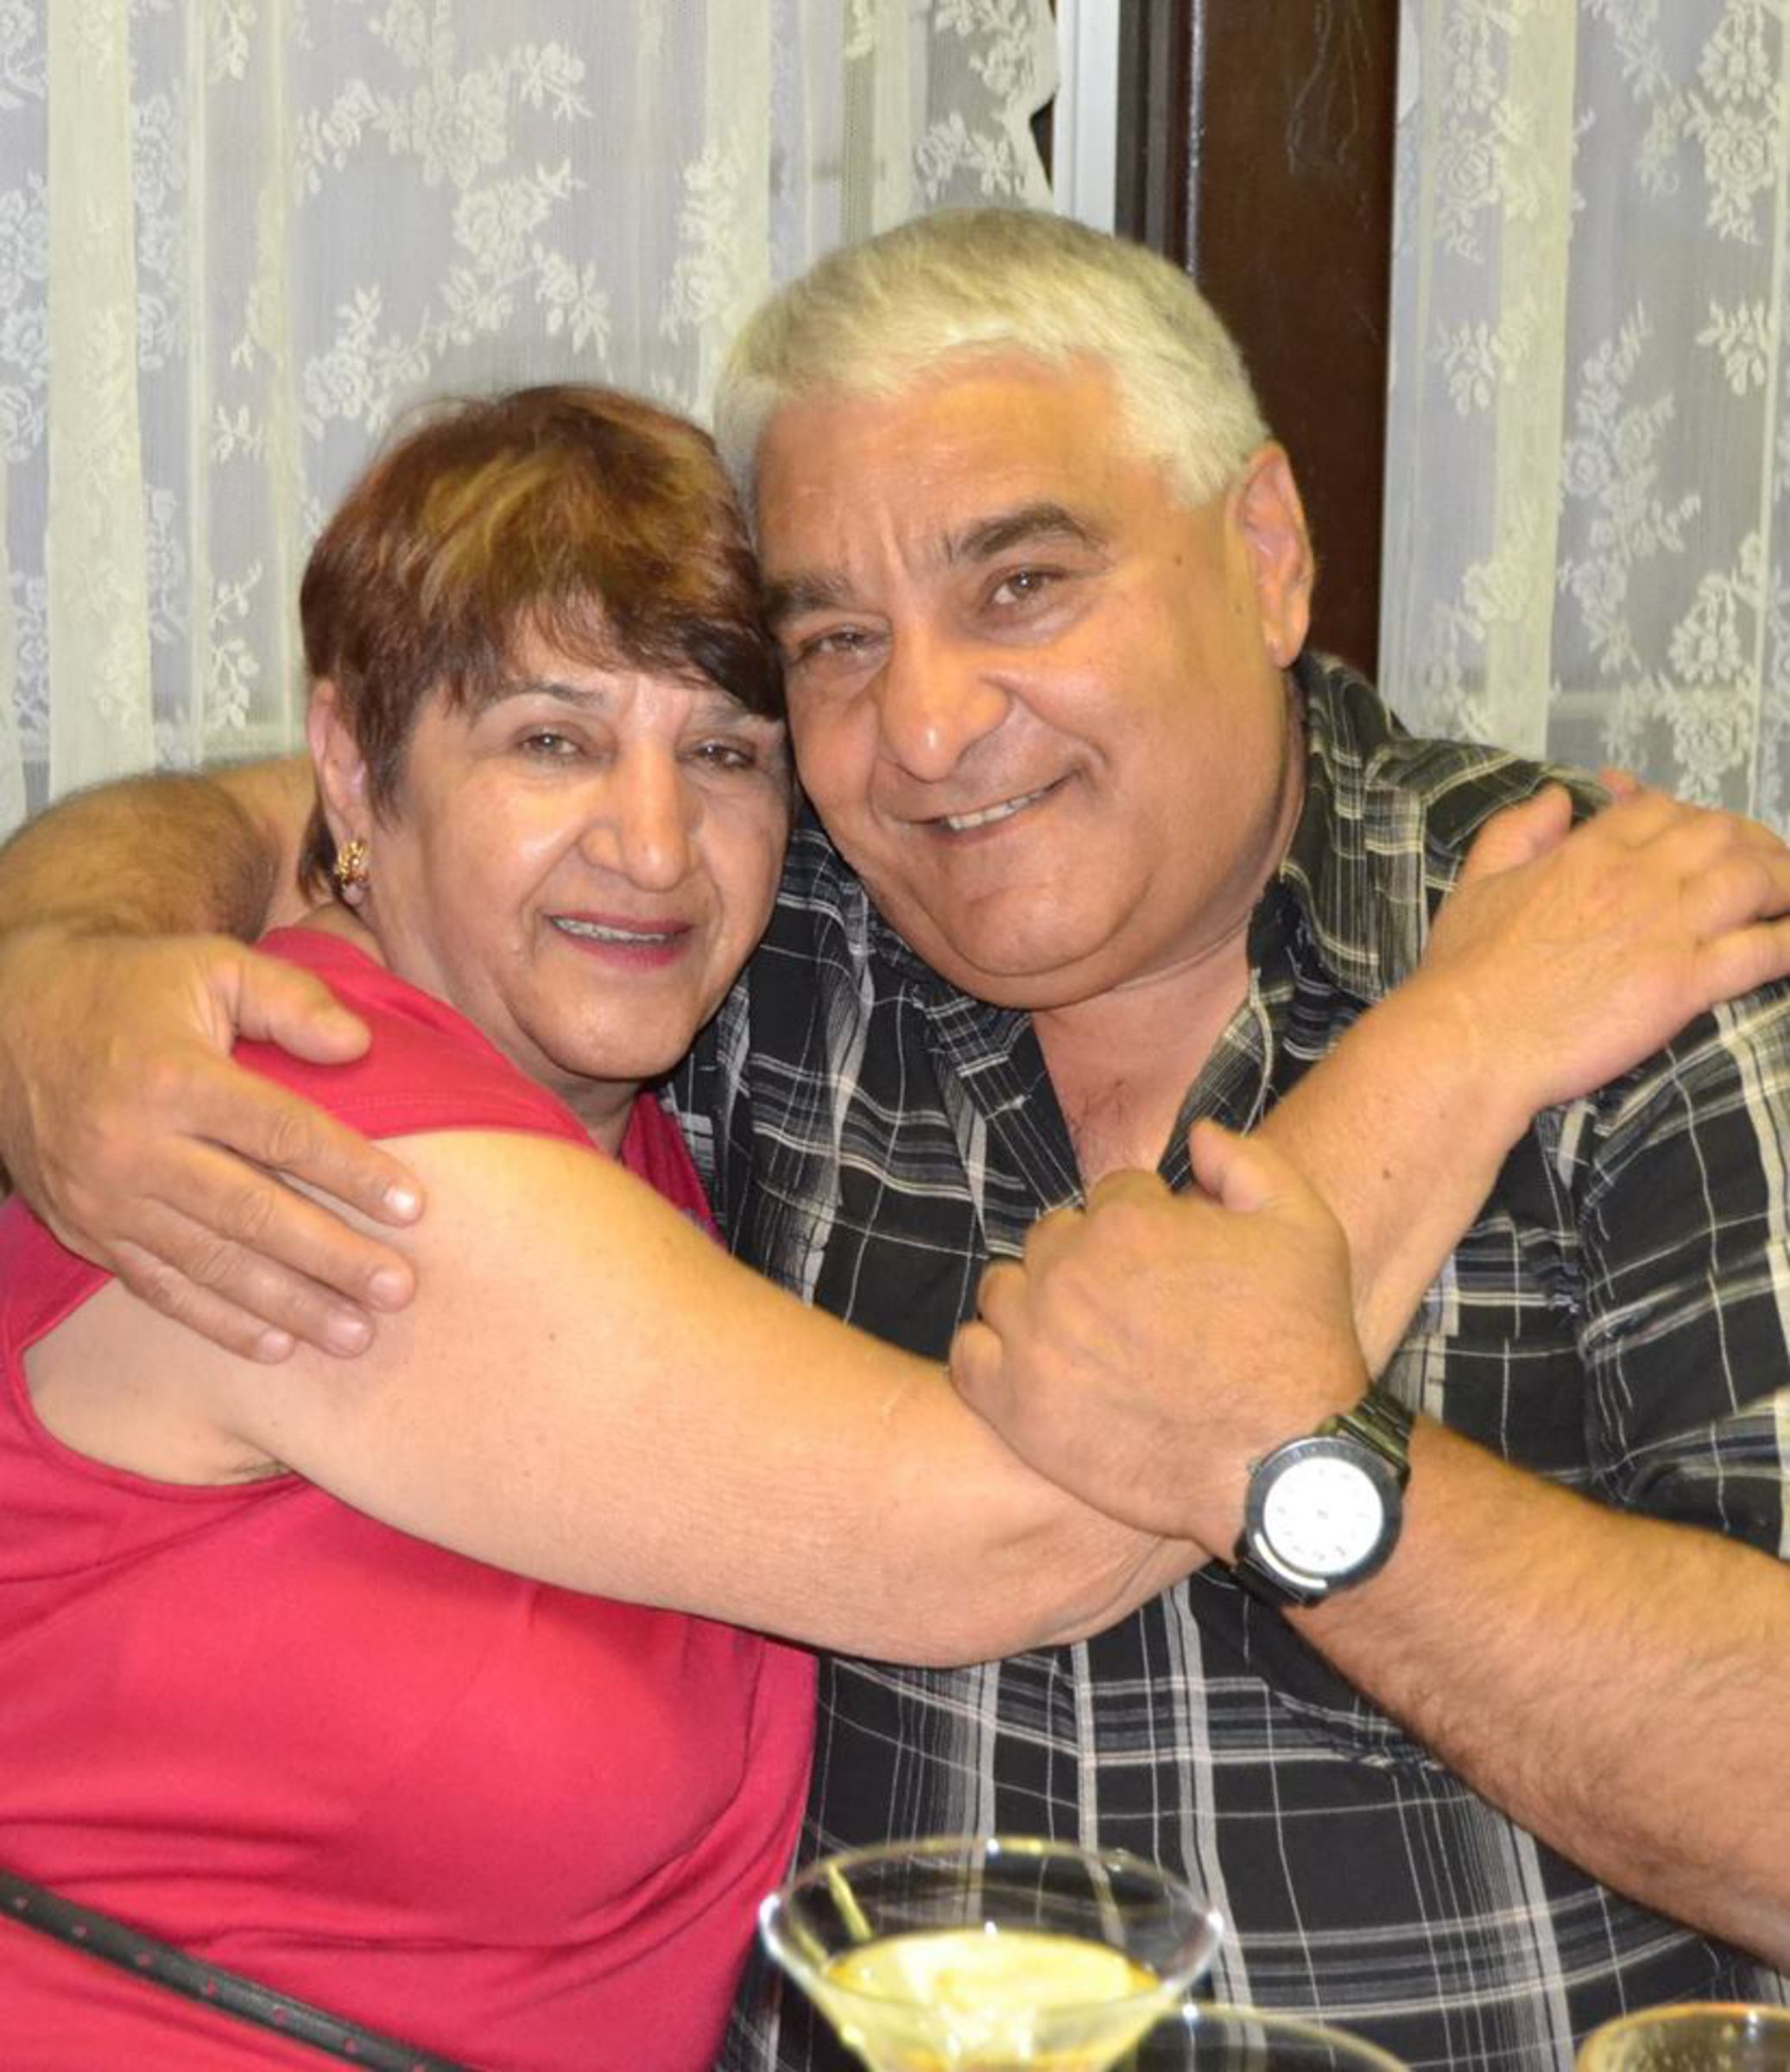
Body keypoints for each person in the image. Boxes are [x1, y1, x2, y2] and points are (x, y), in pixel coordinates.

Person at [4, 213, 1790, 2070]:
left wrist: (1322, 1479)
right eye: (839, 643)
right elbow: (374, 805)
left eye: (1018, 585)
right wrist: (51, 958)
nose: (926, 730)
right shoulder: (749, 955)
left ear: (1264, 554)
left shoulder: (1616, 962)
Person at [0, 380, 1238, 2072]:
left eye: (721, 755)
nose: (653, 849)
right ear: (354, 767)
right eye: (552, 742)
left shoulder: (626, 1113)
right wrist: (1476, 1038)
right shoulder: (311, 1124)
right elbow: (1014, 1534)